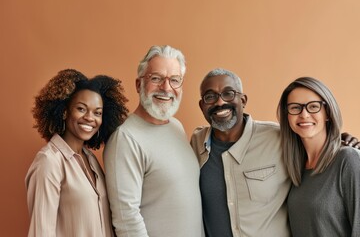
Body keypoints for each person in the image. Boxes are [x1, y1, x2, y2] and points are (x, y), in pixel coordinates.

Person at [190, 68, 360, 237]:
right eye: (210, 97)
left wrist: (341, 140)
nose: (220, 103)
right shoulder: (196, 143)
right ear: (201, 105)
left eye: (228, 93)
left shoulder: (278, 139)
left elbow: (315, 135)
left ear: (243, 100)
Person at [104, 45, 204, 237]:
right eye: (156, 78)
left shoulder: (176, 127)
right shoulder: (125, 139)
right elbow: (127, 220)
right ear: (138, 84)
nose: (166, 88)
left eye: (175, 80)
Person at [26, 69, 128, 237]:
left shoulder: (91, 160)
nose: (90, 118)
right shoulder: (49, 161)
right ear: (65, 112)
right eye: (81, 109)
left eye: (97, 113)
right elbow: (41, 232)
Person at [277, 77, 360, 236]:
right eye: (295, 108)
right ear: (287, 116)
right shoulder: (294, 168)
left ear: (327, 113)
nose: (304, 114)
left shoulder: (348, 160)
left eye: (313, 107)